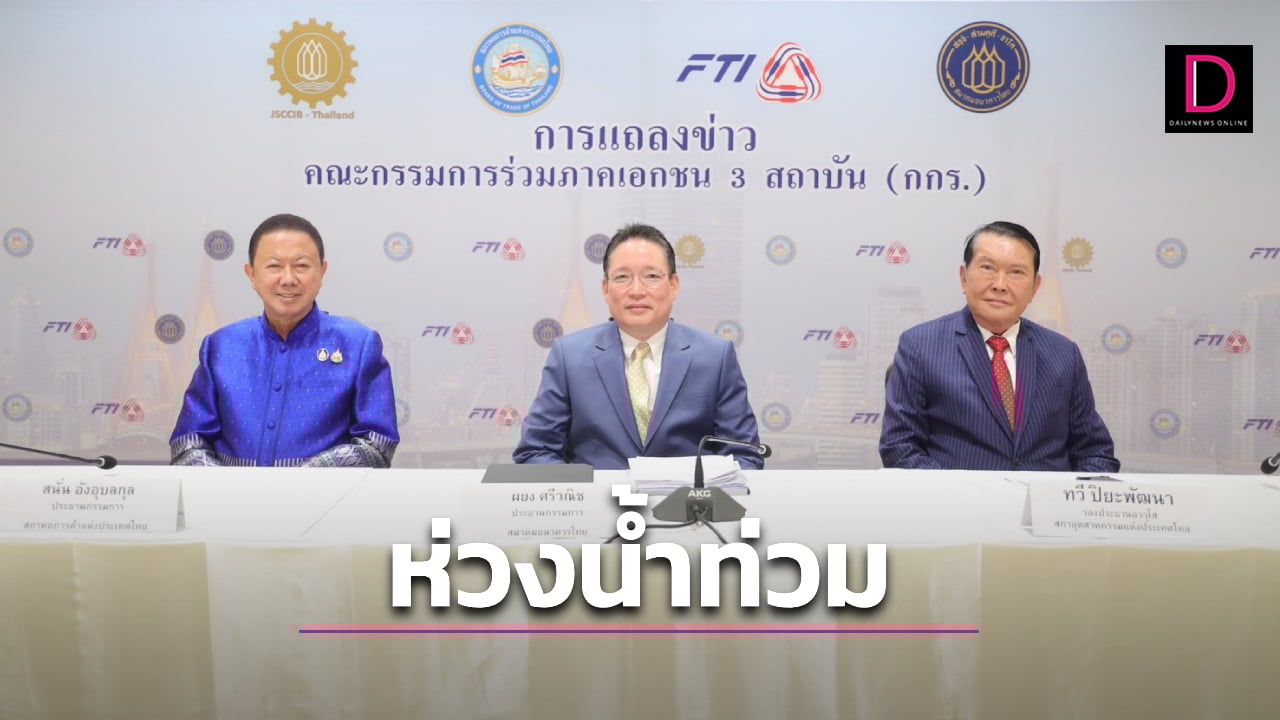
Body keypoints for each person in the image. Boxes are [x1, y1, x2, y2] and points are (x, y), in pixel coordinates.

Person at [514, 223, 763, 470]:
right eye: (622, 277)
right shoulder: (569, 357)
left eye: (651, 276)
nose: (636, 291)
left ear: (674, 285)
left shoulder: (715, 357)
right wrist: (586, 489)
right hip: (598, 495)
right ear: (606, 289)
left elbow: (744, 456)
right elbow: (535, 451)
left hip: (687, 496)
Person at [879, 221, 1119, 472]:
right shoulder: (921, 345)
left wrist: (1073, 494)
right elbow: (900, 446)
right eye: (987, 268)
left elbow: (1094, 452)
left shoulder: (1064, 354)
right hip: (959, 496)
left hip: (1043, 497)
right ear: (964, 277)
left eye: (1016, 272)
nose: (1000, 284)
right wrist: (958, 492)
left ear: (1035, 287)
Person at [170, 213, 399, 467]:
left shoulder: (358, 345)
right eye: (274, 266)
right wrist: (230, 485)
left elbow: (377, 444)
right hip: (230, 493)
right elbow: (188, 442)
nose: (288, 279)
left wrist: (299, 480)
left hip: (326, 493)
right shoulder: (221, 346)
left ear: (322, 272)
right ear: (251, 274)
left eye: (301, 266)